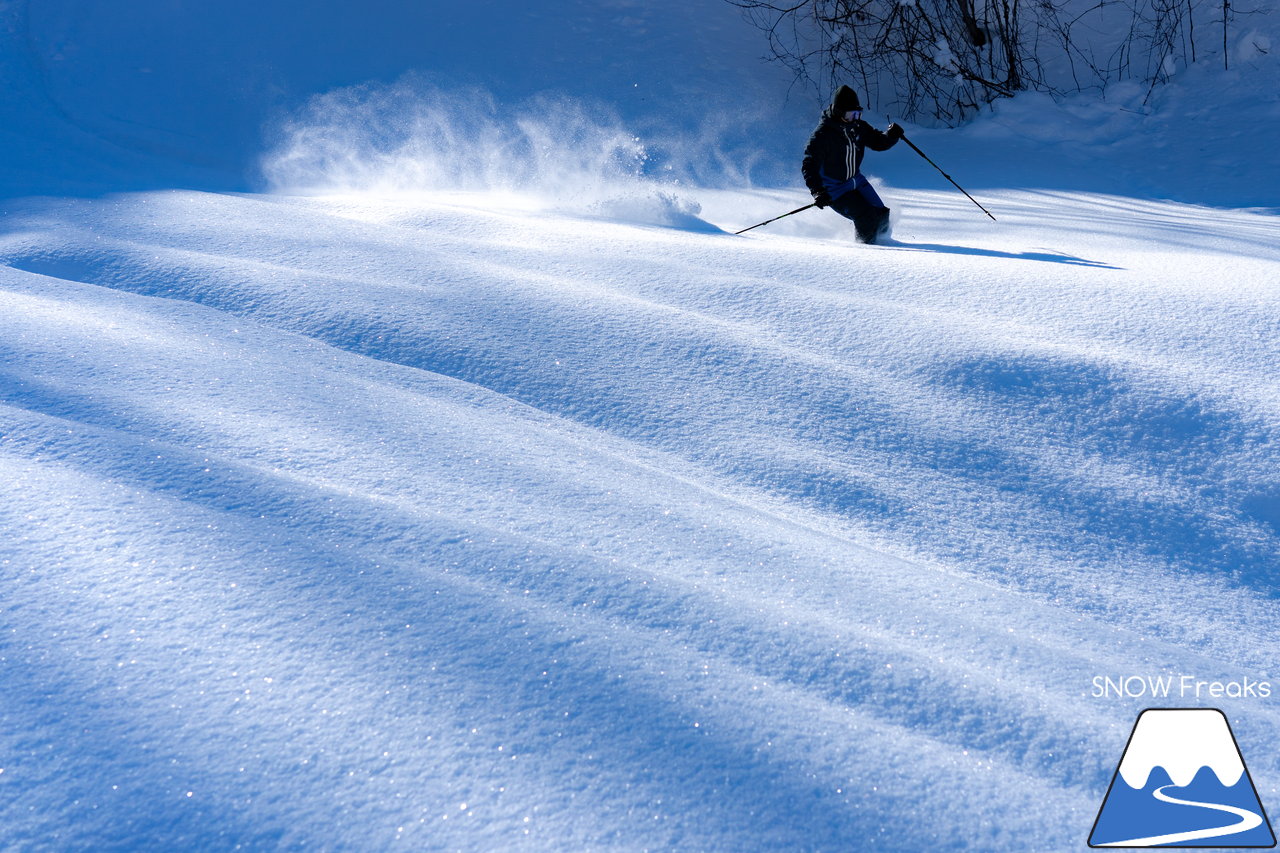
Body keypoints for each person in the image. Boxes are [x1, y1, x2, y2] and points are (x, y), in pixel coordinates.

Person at [801, 85, 904, 244]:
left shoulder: (858, 127)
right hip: (833, 188)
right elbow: (809, 164)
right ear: (839, 112)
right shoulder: (823, 134)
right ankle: (865, 253)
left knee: (881, 214)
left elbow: (878, 142)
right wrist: (817, 191)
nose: (855, 118)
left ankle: (885, 244)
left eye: (858, 113)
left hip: (856, 180)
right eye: (851, 114)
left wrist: (891, 136)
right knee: (866, 217)